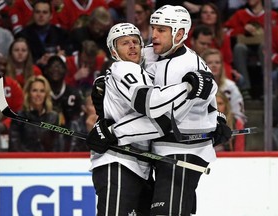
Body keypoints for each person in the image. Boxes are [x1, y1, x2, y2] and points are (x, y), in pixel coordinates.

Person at [86, 22, 218, 216]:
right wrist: (188, 88)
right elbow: (152, 104)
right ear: (114, 52)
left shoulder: (143, 69)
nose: (132, 46)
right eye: (124, 43)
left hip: (138, 164)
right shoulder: (124, 69)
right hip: (118, 161)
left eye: (135, 41)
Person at [223, 0, 278, 98]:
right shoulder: (240, 14)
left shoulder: (272, 15)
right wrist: (242, 29)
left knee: (264, 47)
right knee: (239, 48)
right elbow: (226, 30)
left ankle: (268, 87)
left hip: (266, 49)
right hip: (246, 46)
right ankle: (244, 88)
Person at [9, 75, 59, 152]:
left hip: (47, 161)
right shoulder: (19, 117)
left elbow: (56, 145)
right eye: (34, 90)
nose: (38, 94)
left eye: (42, 91)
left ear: (46, 94)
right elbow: (14, 147)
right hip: (24, 161)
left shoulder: (53, 117)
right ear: (28, 93)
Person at [43, 55, 83, 151]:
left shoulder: (73, 94)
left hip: (69, 138)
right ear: (46, 70)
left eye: (59, 66)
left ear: (65, 70)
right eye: (52, 66)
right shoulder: (41, 93)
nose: (56, 69)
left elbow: (77, 122)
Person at [16, 0, 70, 68]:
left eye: (45, 12)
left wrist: (59, 57)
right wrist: (37, 62)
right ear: (33, 14)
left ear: (51, 16)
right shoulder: (23, 35)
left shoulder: (62, 34)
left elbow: (68, 55)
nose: (41, 16)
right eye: (37, 12)